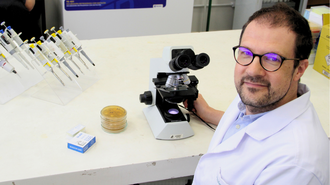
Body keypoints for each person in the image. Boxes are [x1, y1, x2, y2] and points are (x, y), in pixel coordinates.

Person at [189, 3, 329, 185]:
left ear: (299, 69)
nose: (253, 70)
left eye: (272, 59)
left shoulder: (295, 167)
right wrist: (208, 113)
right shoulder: (264, 95)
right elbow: (252, 126)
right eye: (246, 53)